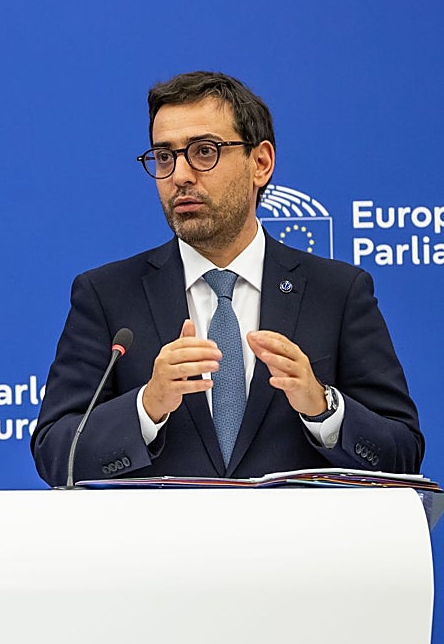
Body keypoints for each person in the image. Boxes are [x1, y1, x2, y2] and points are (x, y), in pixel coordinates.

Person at [31, 71, 422, 485]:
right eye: (164, 157)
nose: (180, 175)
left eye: (204, 152)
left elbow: (403, 454)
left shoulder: (337, 293)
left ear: (261, 163)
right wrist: (146, 407)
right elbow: (56, 454)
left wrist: (324, 408)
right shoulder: (107, 295)